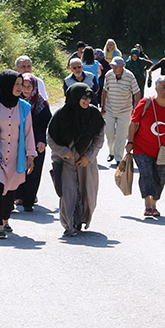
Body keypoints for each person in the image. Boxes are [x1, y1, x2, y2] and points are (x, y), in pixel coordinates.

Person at [0, 70, 39, 240]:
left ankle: (6, 219)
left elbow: (28, 133)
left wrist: (30, 156)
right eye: (16, 84)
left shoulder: (24, 107)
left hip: (15, 157)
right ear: (6, 85)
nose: (20, 88)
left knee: (10, 190)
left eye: (21, 84)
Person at [47, 82, 105, 237]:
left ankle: (82, 219)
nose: (87, 100)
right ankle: (69, 224)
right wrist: (64, 152)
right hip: (66, 161)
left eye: (89, 97)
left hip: (86, 162)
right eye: (83, 97)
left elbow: (99, 138)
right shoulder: (61, 115)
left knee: (88, 192)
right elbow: (51, 138)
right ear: (74, 97)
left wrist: (88, 156)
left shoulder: (94, 114)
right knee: (69, 193)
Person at [125, 73, 165, 218]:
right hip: (142, 147)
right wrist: (130, 142)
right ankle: (148, 205)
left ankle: (154, 203)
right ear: (156, 89)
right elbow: (134, 123)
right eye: (163, 87)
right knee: (146, 174)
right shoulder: (146, 103)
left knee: (161, 177)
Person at [13, 72, 53, 212]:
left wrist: (43, 141)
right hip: (17, 141)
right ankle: (18, 196)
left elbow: (46, 124)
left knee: (34, 171)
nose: (26, 89)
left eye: (29, 86)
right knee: (18, 168)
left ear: (34, 87)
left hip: (36, 141)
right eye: (23, 86)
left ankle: (29, 200)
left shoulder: (40, 103)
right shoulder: (14, 101)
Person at [101, 54, 142, 164]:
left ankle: (118, 157)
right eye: (113, 66)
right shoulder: (109, 75)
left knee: (121, 134)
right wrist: (103, 108)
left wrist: (136, 110)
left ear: (122, 66)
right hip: (110, 108)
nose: (114, 68)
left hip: (124, 109)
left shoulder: (129, 76)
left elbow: (137, 93)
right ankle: (111, 151)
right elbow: (104, 92)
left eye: (116, 66)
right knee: (109, 133)